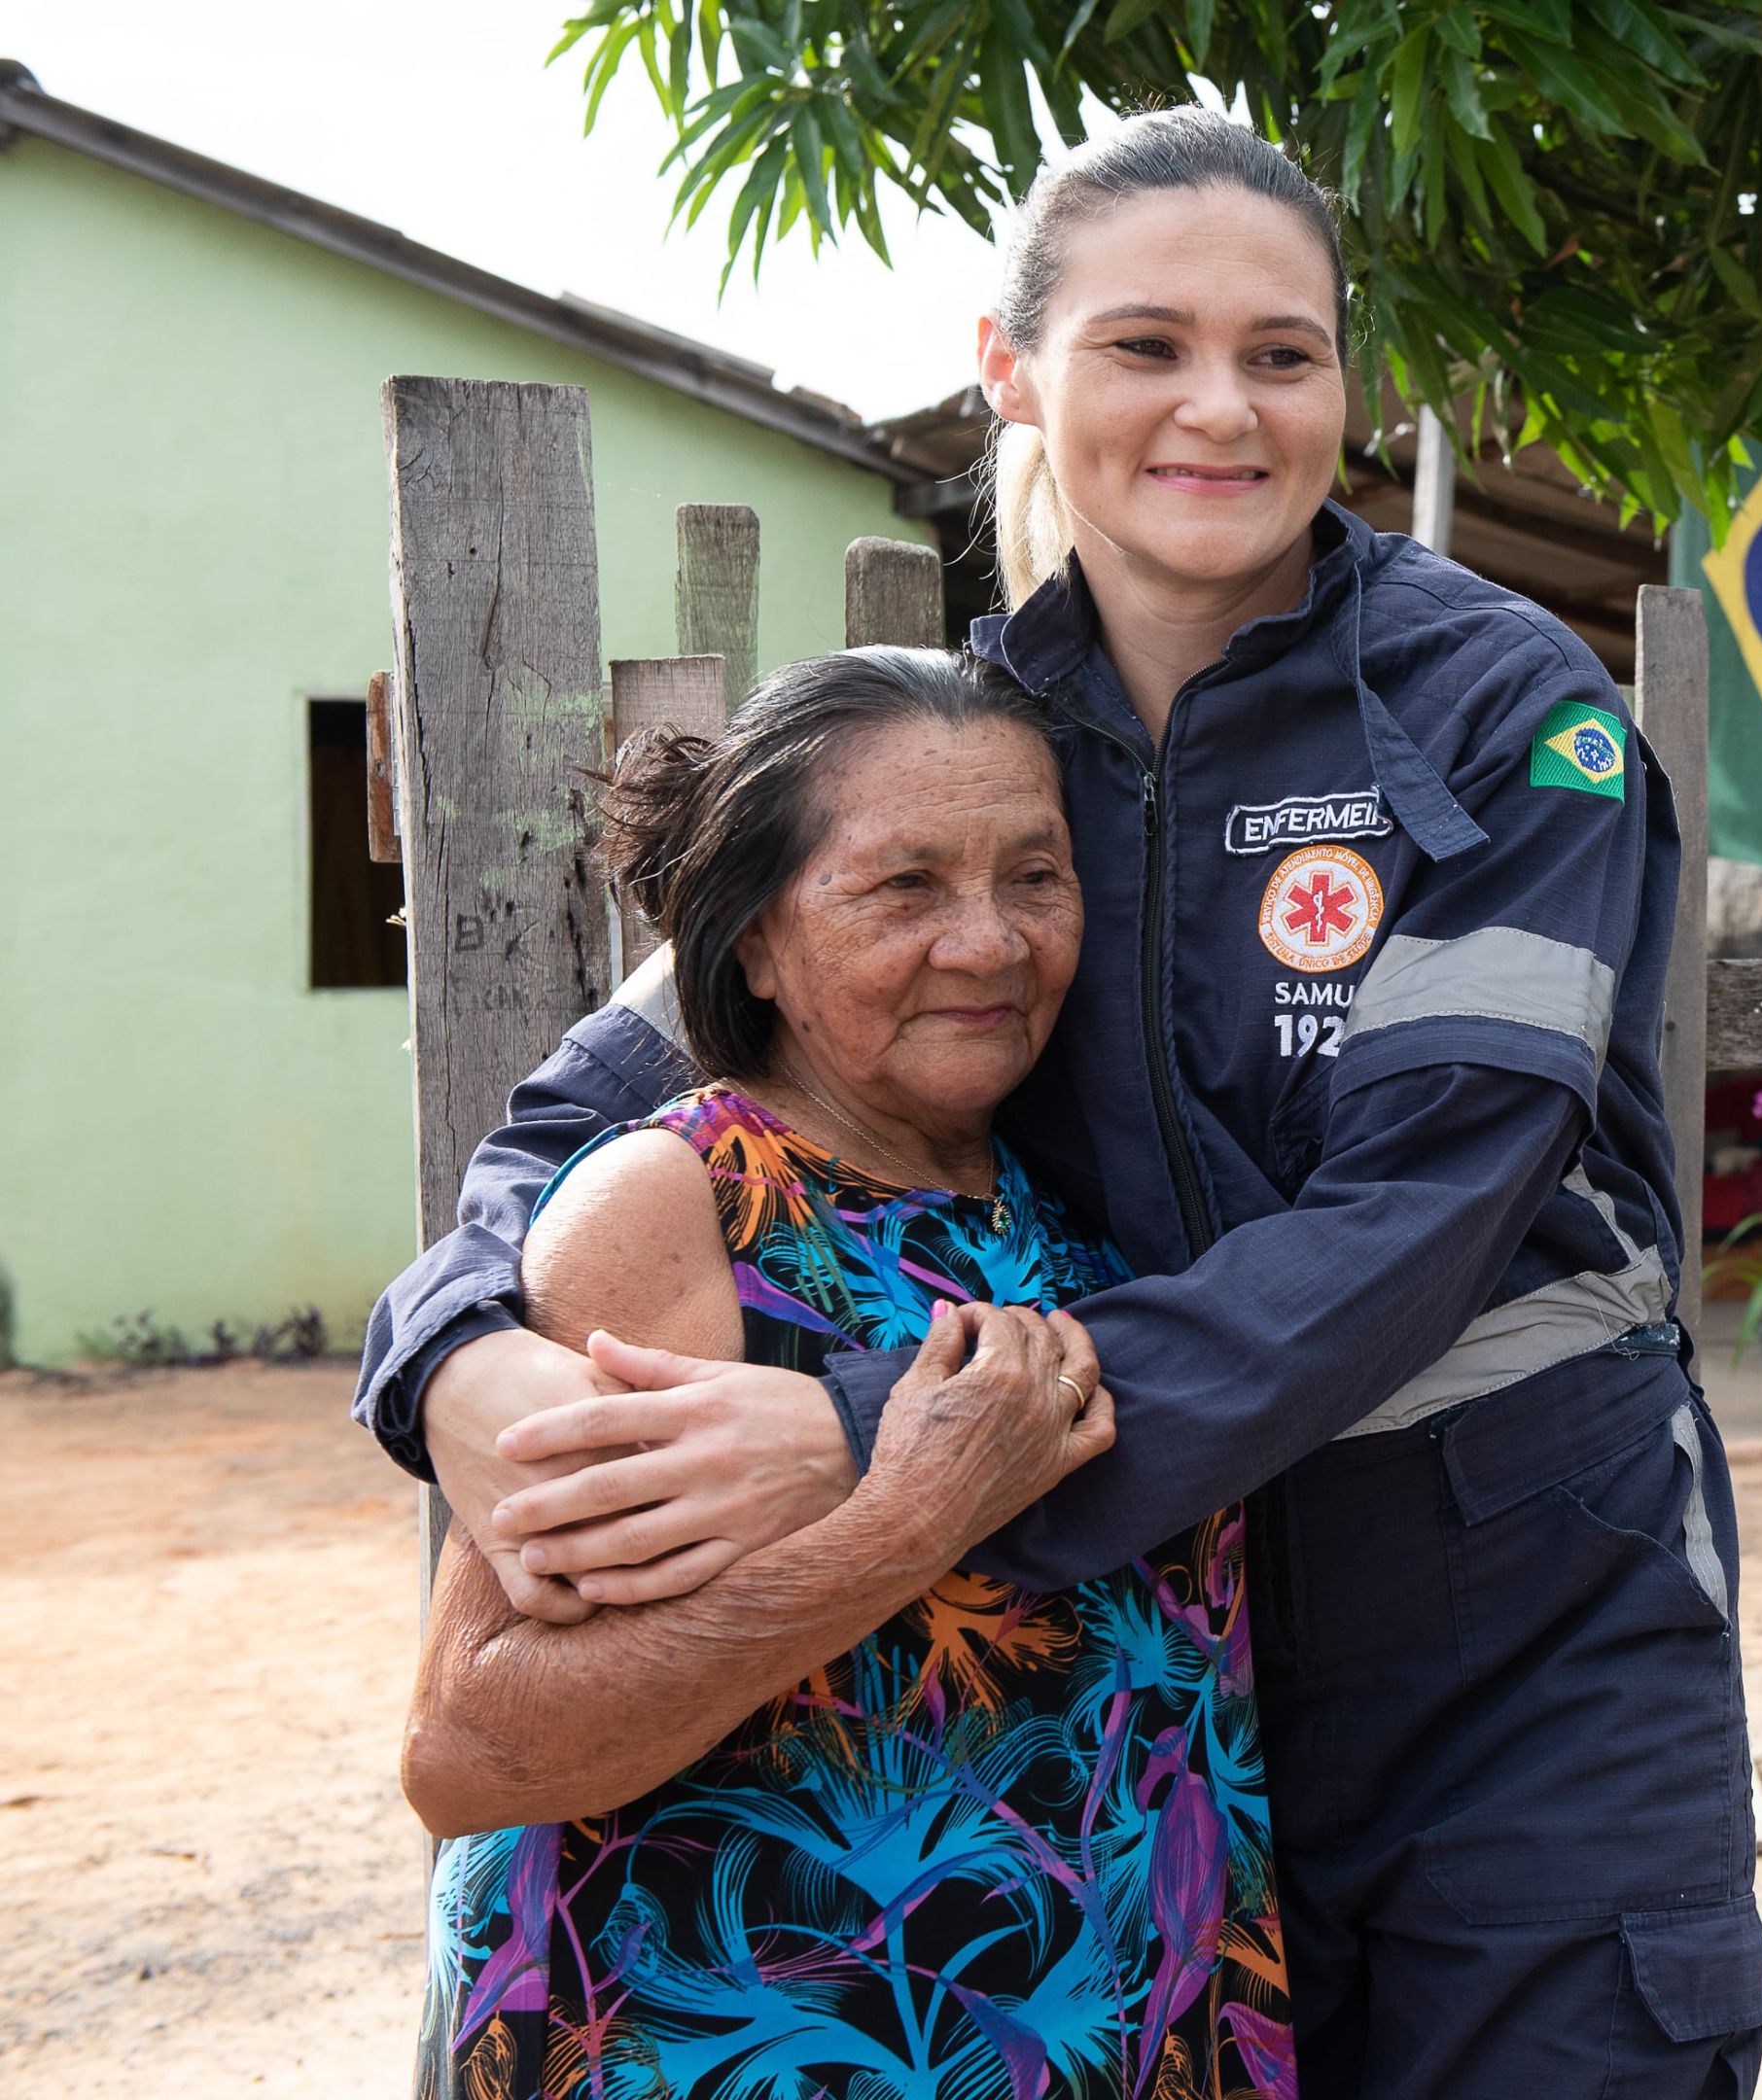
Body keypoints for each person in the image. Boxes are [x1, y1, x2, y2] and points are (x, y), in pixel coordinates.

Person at [357, 107, 1762, 2096]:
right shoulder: (970, 762)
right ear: (1012, 369)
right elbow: (568, 1122)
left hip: (1516, 1649)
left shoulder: (1500, 719)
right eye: (1144, 345)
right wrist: (449, 1363)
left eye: (1283, 354)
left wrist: (860, 1433)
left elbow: (1415, 1227)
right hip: (1140, 1664)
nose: (1221, 407)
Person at [405, 647, 1289, 2096]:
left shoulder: (1088, 1217)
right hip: (736, 2050)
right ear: (753, 939)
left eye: (1035, 877)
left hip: (1113, 2033)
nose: (991, 943)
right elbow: (470, 1747)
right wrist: (905, 1524)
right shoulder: (678, 1205)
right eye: (905, 887)